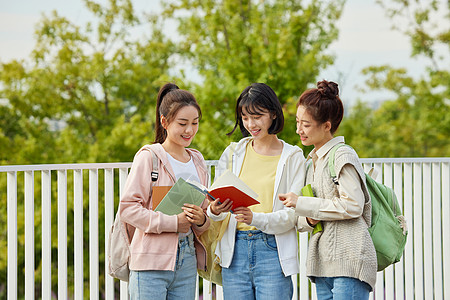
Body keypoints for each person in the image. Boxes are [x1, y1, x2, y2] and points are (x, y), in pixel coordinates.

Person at [278, 80, 377, 299]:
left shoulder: (342, 156)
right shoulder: (310, 162)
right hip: (323, 265)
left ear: (326, 125)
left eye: (306, 124)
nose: (298, 130)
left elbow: (353, 206)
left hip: (349, 262)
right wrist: (308, 218)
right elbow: (306, 219)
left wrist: (301, 203)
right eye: (297, 122)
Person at [207, 83, 306, 300]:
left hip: (272, 250)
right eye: (245, 117)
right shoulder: (233, 152)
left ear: (273, 114)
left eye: (257, 116)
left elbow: (294, 214)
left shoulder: (293, 157)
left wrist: (256, 218)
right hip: (234, 250)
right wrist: (214, 209)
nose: (251, 124)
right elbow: (216, 208)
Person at [119, 83, 210, 300]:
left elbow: (204, 213)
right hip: (150, 259)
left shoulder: (198, 161)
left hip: (187, 259)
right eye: (183, 123)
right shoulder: (149, 157)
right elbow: (128, 209)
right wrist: (172, 223)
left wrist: (201, 220)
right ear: (164, 122)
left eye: (195, 123)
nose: (190, 130)